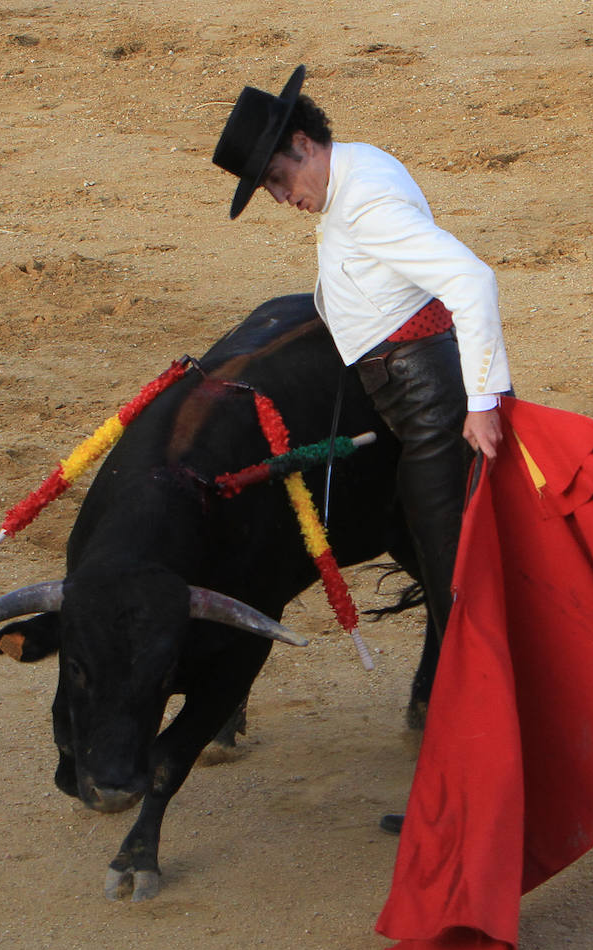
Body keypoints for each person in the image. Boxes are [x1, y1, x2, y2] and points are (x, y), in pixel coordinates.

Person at [213, 66, 514, 833]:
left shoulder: (370, 202)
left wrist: (482, 402)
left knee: (457, 600)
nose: (284, 198)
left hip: (432, 414)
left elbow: (471, 278)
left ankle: (468, 800)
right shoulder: (359, 170)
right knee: (441, 576)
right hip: (408, 394)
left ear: (305, 144)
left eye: (279, 179)